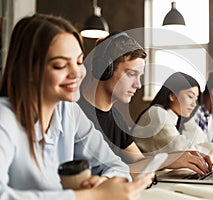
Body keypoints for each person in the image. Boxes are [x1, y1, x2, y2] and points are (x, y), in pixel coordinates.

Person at [0, 14, 153, 200]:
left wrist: (105, 182)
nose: (77, 73)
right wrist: (92, 195)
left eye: (79, 62)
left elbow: (116, 165)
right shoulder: (4, 119)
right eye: (60, 65)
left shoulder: (68, 110)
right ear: (28, 70)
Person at [79, 32, 212, 176]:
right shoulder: (76, 115)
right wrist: (166, 160)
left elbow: (138, 161)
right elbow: (100, 174)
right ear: (105, 69)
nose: (138, 85)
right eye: (131, 74)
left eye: (139, 76)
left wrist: (177, 157)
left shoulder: (116, 118)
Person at [132, 72, 208, 153]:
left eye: (196, 99)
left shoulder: (178, 118)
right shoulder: (158, 113)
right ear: (172, 96)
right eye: (190, 96)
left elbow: (201, 141)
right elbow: (186, 152)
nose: (194, 104)